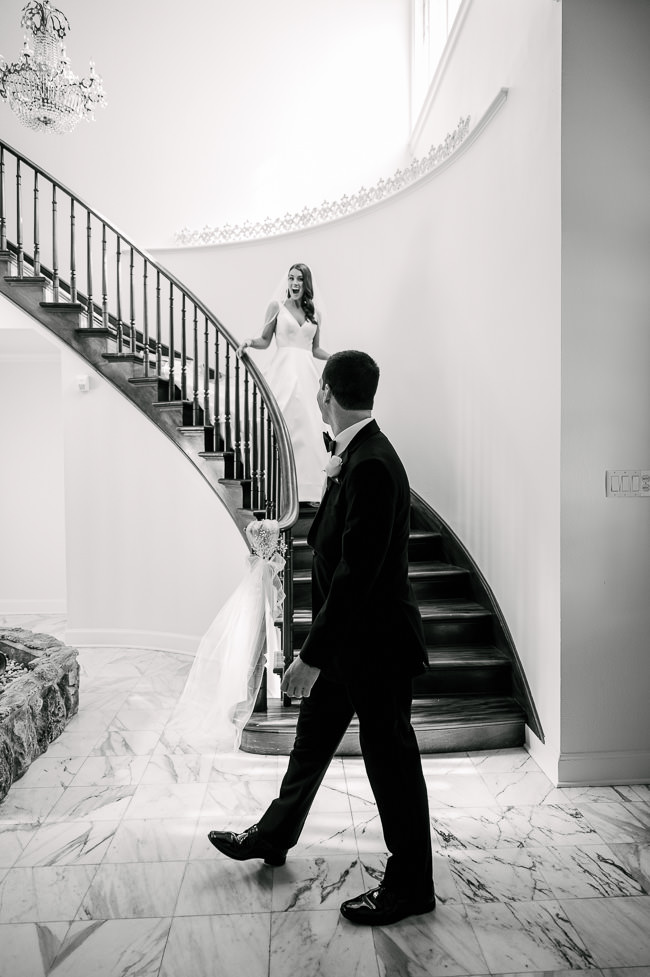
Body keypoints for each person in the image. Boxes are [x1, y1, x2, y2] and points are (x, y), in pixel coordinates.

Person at [207, 350, 435, 927]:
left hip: (375, 648)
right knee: (311, 744)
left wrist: (310, 656)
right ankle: (274, 834)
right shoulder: (355, 455)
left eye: (320, 390)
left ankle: (412, 885)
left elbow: (358, 575)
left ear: (326, 392)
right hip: (347, 646)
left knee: (391, 764)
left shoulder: (372, 463)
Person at [237, 263, 329, 503]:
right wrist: (249, 342)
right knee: (282, 424)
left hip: (306, 373)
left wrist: (334, 358)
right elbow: (265, 340)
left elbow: (315, 349)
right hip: (283, 371)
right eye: (291, 278)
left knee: (309, 428)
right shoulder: (276, 307)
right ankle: (277, 488)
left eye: (299, 279)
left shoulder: (315, 313)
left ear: (306, 283)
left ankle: (309, 489)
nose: (294, 283)